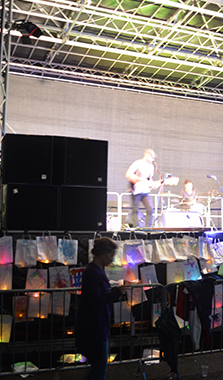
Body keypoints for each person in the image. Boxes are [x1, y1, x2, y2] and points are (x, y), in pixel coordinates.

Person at [75, 238, 125, 380]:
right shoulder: (93, 272)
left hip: (98, 324)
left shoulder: (95, 271)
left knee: (98, 366)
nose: (111, 260)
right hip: (94, 326)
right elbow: (96, 301)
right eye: (110, 256)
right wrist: (116, 293)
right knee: (100, 366)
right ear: (102, 253)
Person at [125, 149, 159, 228]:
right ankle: (136, 227)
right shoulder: (138, 163)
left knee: (150, 208)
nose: (152, 159)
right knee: (135, 209)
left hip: (145, 191)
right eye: (151, 157)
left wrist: (153, 184)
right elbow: (128, 174)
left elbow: (149, 179)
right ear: (146, 155)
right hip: (136, 190)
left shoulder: (151, 166)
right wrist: (136, 182)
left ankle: (148, 227)